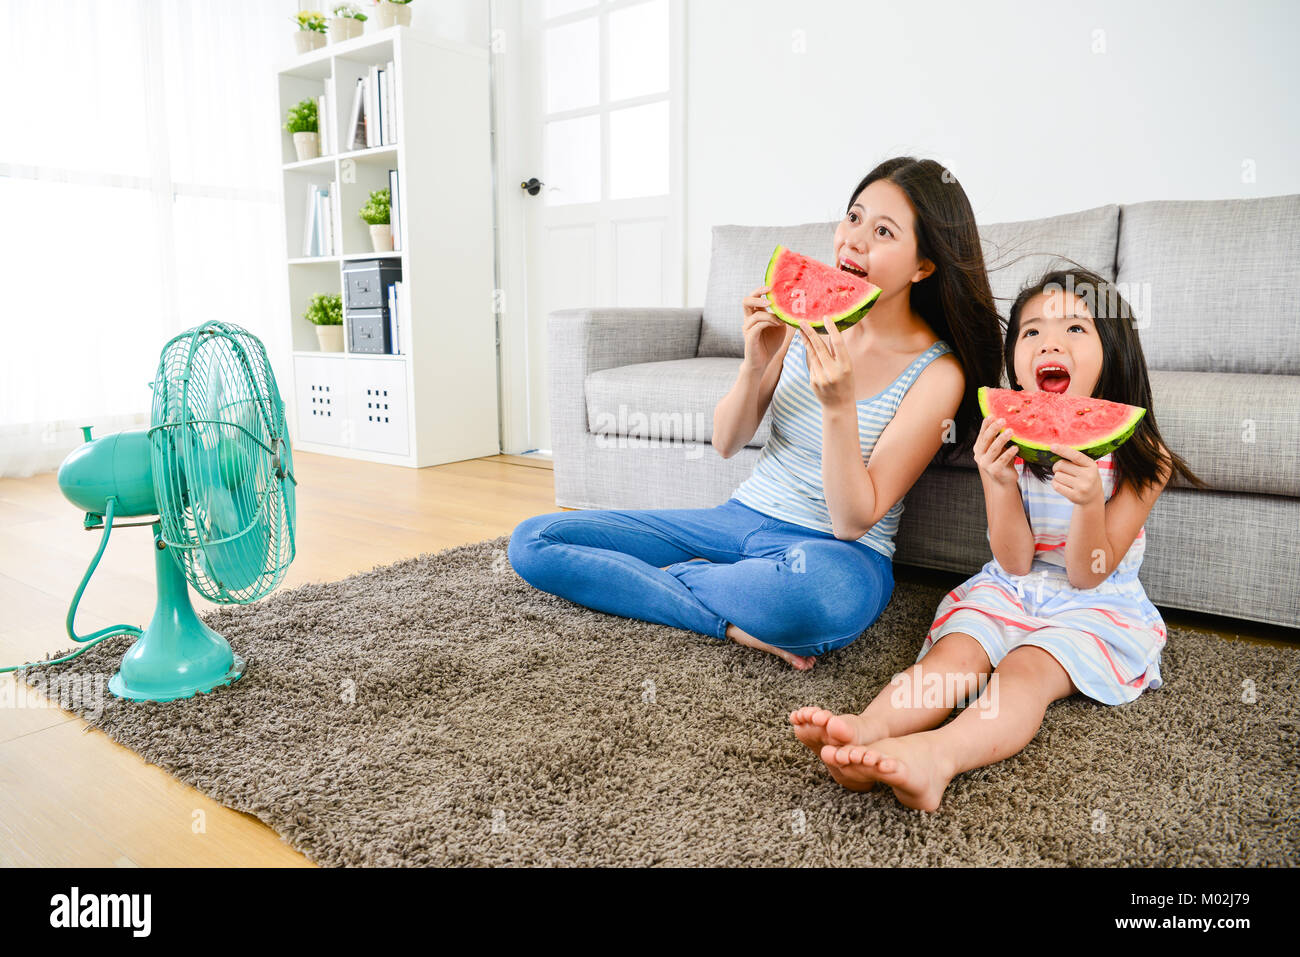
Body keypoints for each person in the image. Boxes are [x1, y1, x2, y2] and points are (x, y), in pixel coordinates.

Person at [509, 157, 1002, 670]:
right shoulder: (804, 319)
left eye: (883, 231)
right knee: (534, 541)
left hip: (834, 556)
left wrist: (839, 408)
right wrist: (755, 363)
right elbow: (727, 441)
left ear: (923, 265)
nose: (854, 240)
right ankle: (728, 616)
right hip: (736, 520)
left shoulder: (937, 373)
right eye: (853, 218)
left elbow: (855, 520)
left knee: (815, 605)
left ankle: (666, 578)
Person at [791, 266, 1207, 809]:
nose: (1048, 341)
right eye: (1031, 331)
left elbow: (1089, 571)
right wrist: (998, 479)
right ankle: (866, 731)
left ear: (1116, 354)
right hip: (1012, 587)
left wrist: (1086, 504)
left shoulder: (1145, 459)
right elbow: (1013, 560)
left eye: (1075, 329)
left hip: (1094, 606)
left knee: (1023, 673)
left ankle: (938, 757)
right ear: (1013, 358)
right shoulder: (1009, 439)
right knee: (952, 661)